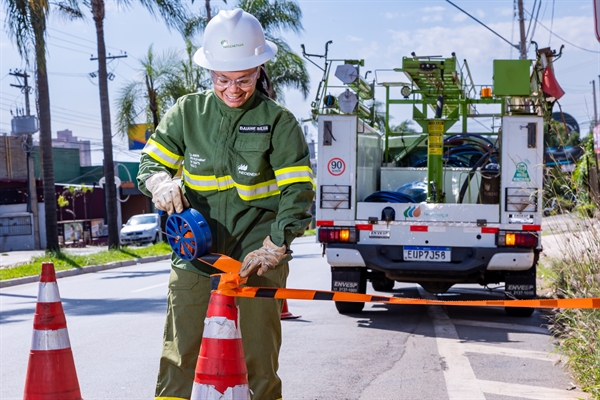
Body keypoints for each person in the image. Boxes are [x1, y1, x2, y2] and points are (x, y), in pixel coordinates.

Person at [137, 8, 315, 400]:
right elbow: (150, 161)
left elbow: (298, 193)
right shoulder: (188, 113)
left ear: (259, 70)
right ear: (210, 73)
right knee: (179, 356)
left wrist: (276, 244)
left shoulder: (278, 122)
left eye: (243, 79)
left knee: (259, 360)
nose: (232, 89)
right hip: (196, 253)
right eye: (222, 79)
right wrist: (160, 182)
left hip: (256, 254)